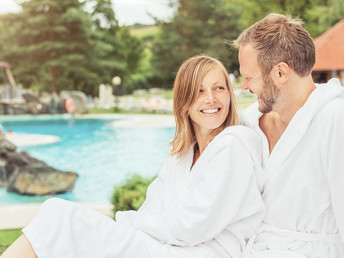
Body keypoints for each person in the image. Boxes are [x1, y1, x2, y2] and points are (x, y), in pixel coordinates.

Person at [1, 55, 264, 258]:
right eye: (199, 91)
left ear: (229, 95)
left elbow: (196, 224)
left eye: (219, 88)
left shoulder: (234, 145)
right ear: (183, 100)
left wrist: (129, 226)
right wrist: (130, 227)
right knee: (56, 214)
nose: (211, 99)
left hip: (205, 252)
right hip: (168, 246)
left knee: (59, 216)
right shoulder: (182, 155)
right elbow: (153, 207)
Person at [233, 13, 344, 257]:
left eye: (249, 76)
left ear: (281, 73)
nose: (243, 86)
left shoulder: (334, 118)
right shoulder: (251, 121)